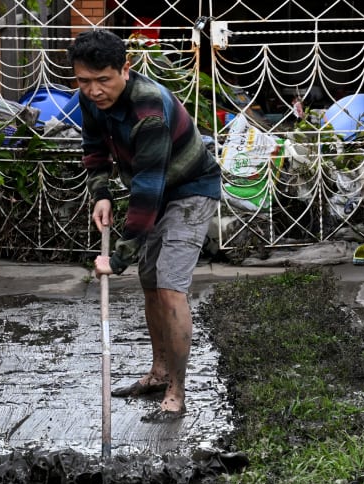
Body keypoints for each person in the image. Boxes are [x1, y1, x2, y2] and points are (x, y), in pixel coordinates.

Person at [68, 30, 221, 421]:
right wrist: (101, 192)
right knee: (150, 279)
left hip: (189, 190)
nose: (94, 90)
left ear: (125, 69)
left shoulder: (148, 110)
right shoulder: (91, 101)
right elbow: (94, 149)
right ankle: (158, 373)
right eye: (84, 81)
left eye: (103, 80)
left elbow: (148, 190)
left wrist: (117, 259)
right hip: (154, 188)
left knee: (170, 286)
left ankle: (177, 393)